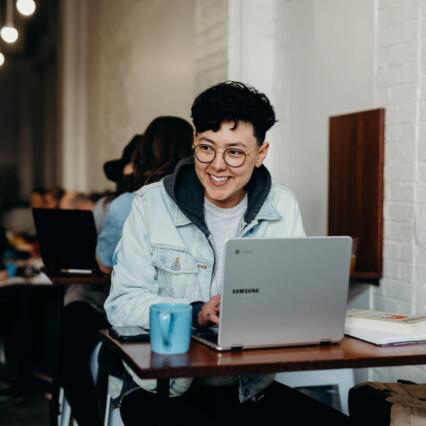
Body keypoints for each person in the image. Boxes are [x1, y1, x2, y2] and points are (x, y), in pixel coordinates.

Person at [104, 82, 352, 425]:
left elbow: (295, 304)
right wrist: (195, 313)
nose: (217, 166)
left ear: (261, 153)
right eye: (207, 148)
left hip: (248, 390)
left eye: (235, 152)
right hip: (164, 391)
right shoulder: (150, 203)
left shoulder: (282, 205)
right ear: (194, 142)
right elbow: (121, 305)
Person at [60, 136, 141, 426]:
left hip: (110, 301)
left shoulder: (130, 205)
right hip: (96, 298)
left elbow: (101, 263)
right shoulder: (109, 206)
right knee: (70, 341)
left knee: (70, 345)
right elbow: (99, 261)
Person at [96, 116, 194, 274]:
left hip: (139, 293)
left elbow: (106, 265)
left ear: (142, 150)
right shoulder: (201, 198)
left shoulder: (125, 204)